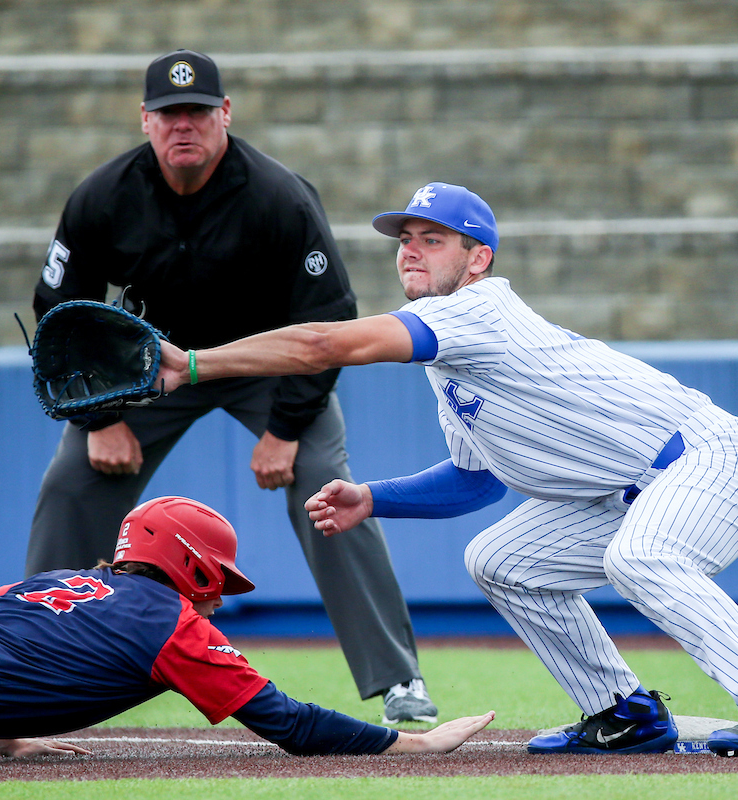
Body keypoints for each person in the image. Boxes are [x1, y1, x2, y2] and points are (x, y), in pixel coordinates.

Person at [153, 182, 738, 757]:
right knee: (501, 558)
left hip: (715, 461)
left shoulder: (477, 311)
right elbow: (477, 479)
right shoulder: (449, 358)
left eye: (433, 238)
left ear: (478, 258)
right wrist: (372, 498)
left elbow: (326, 343)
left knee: (642, 555)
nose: (411, 250)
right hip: (631, 490)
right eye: (405, 239)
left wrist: (196, 363)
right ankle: (623, 714)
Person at [27, 48, 435, 724]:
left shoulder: (278, 195)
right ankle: (32, 657)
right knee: (71, 484)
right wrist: (99, 418)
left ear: (224, 114)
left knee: (327, 486)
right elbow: (59, 313)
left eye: (195, 111)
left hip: (266, 367)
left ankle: (398, 677)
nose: (181, 125)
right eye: (167, 114)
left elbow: (330, 318)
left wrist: (285, 430)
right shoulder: (102, 197)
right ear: (145, 121)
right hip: (149, 368)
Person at [0, 497, 495, 772]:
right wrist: (411, 749)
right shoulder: (171, 622)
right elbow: (286, 723)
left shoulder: (68, 579)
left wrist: (2, 737)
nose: (220, 601)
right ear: (190, 567)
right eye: (218, 579)